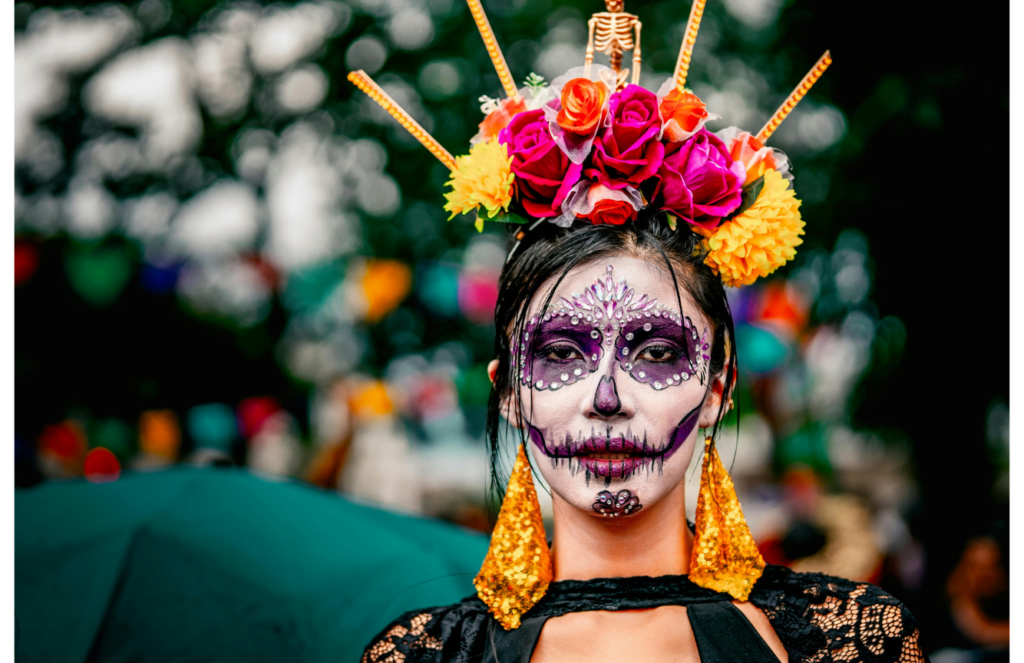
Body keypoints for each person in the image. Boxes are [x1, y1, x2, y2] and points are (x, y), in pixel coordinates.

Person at [351, 2, 925, 660]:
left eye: (656, 351)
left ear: (719, 386)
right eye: (562, 351)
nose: (606, 396)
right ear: (507, 389)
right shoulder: (423, 657)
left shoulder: (847, 642)